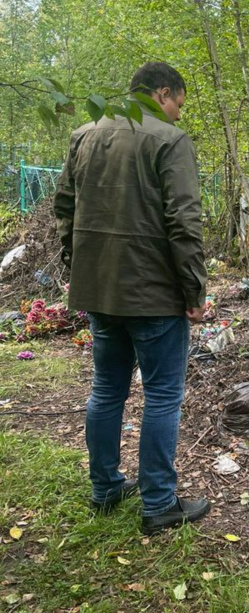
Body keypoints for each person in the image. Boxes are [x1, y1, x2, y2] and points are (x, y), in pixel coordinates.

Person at [54, 61, 210, 534]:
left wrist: (76, 265)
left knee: (107, 389)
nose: (178, 115)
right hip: (154, 295)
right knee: (163, 396)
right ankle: (159, 504)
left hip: (99, 289)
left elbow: (64, 205)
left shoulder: (86, 134)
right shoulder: (168, 139)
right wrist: (195, 289)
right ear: (163, 92)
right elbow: (184, 221)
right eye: (178, 104)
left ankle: (105, 489)